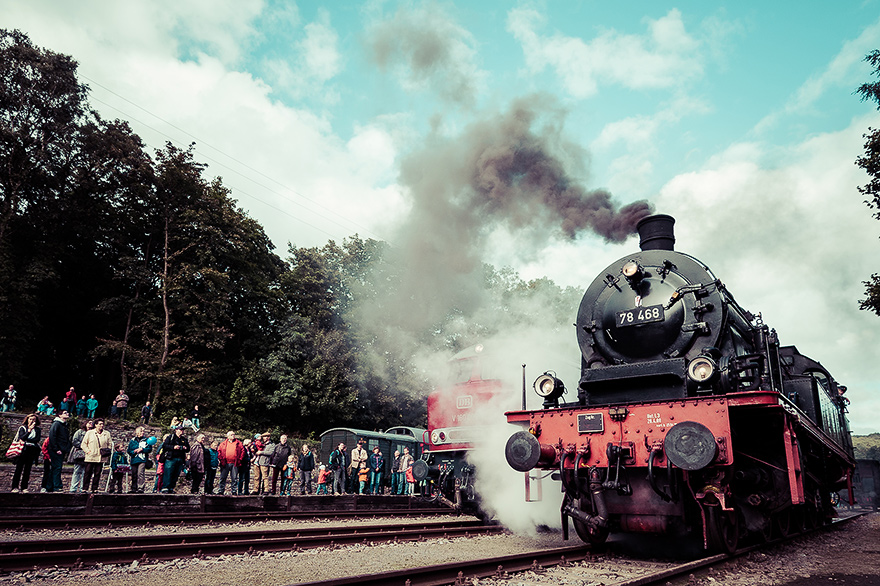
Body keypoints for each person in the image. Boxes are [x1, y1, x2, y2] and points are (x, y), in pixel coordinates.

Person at [10, 413, 41, 492]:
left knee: (27, 469)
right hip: (23, 450)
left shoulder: (37, 430)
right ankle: (15, 487)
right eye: (30, 419)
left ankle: (24, 487)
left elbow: (37, 439)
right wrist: (29, 431)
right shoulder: (22, 428)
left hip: (32, 450)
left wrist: (28, 439)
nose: (32, 421)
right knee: (19, 469)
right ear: (27, 420)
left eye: (33, 419)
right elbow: (22, 438)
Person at [82, 418, 112, 493]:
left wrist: (107, 450)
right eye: (100, 424)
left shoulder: (107, 433)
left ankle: (94, 488)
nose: (101, 426)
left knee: (97, 473)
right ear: (95, 425)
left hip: (101, 457)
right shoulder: (90, 433)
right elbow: (84, 444)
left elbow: (110, 443)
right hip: (91, 456)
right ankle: (85, 488)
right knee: (87, 473)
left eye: (102, 424)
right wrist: (88, 452)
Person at [47, 410, 71, 492]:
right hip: (56, 450)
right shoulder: (56, 424)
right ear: (60, 415)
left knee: (55, 468)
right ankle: (56, 486)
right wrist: (56, 449)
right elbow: (52, 436)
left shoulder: (64, 425)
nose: (67, 414)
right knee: (57, 468)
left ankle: (50, 486)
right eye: (65, 413)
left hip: (61, 449)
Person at [160, 426, 190, 493]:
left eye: (182, 430)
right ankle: (165, 488)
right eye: (180, 430)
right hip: (171, 458)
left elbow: (188, 449)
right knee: (168, 473)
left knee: (176, 474)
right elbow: (164, 446)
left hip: (180, 459)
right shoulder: (171, 437)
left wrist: (184, 448)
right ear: (176, 430)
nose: (182, 431)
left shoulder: (184, 439)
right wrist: (174, 447)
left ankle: (171, 488)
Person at [69, 420, 95, 493]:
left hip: (89, 453)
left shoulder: (93, 433)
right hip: (80, 452)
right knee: (77, 471)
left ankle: (82, 488)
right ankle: (73, 488)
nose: (90, 424)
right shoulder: (79, 432)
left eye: (92, 423)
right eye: (89, 423)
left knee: (86, 472)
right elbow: (74, 441)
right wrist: (83, 446)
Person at [217, 430, 245, 495]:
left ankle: (234, 491)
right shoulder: (223, 444)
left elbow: (242, 451)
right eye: (232, 435)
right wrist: (221, 460)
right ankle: (221, 490)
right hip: (225, 463)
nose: (233, 436)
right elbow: (219, 452)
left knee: (234, 478)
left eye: (234, 434)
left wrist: (240, 459)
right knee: (222, 477)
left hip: (235, 463)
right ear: (228, 436)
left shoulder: (238, 443)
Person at [127, 426, 153, 493]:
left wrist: (142, 449)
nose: (142, 433)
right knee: (134, 474)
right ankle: (133, 488)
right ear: (137, 432)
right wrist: (134, 451)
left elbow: (149, 449)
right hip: (134, 459)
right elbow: (129, 450)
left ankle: (140, 488)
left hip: (142, 459)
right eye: (141, 431)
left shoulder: (146, 440)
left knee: (140, 473)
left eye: (143, 431)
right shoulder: (132, 441)